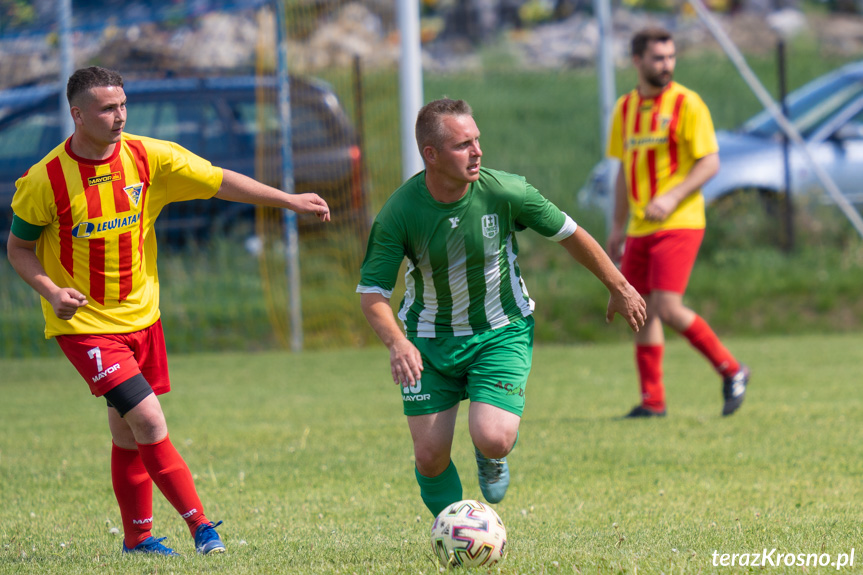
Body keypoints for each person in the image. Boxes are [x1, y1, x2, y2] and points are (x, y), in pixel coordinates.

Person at [6, 67, 330, 556]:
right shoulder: (45, 179)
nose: (120, 117)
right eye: (107, 109)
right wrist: (51, 291)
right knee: (151, 423)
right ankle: (202, 527)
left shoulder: (147, 156)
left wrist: (287, 201)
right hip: (88, 327)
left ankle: (137, 540)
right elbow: (18, 249)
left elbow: (220, 181)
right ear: (77, 114)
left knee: (129, 434)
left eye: (123, 105)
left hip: (143, 318)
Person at [357, 98, 646, 517]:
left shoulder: (506, 191)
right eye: (463, 145)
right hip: (427, 342)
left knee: (493, 437)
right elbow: (372, 295)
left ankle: (490, 456)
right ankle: (457, 532)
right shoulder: (399, 213)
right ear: (431, 155)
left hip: (501, 330)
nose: (477, 152)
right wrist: (397, 343)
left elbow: (569, 232)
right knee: (429, 456)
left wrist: (618, 285)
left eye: (477, 140)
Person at [604, 27, 750, 418]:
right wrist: (617, 227)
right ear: (637, 61)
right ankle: (653, 401)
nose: (666, 65)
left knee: (667, 307)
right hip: (639, 227)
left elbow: (710, 162)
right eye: (657, 58)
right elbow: (623, 171)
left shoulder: (688, 104)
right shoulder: (625, 108)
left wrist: (670, 196)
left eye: (670, 57)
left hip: (680, 221)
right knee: (641, 311)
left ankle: (733, 370)